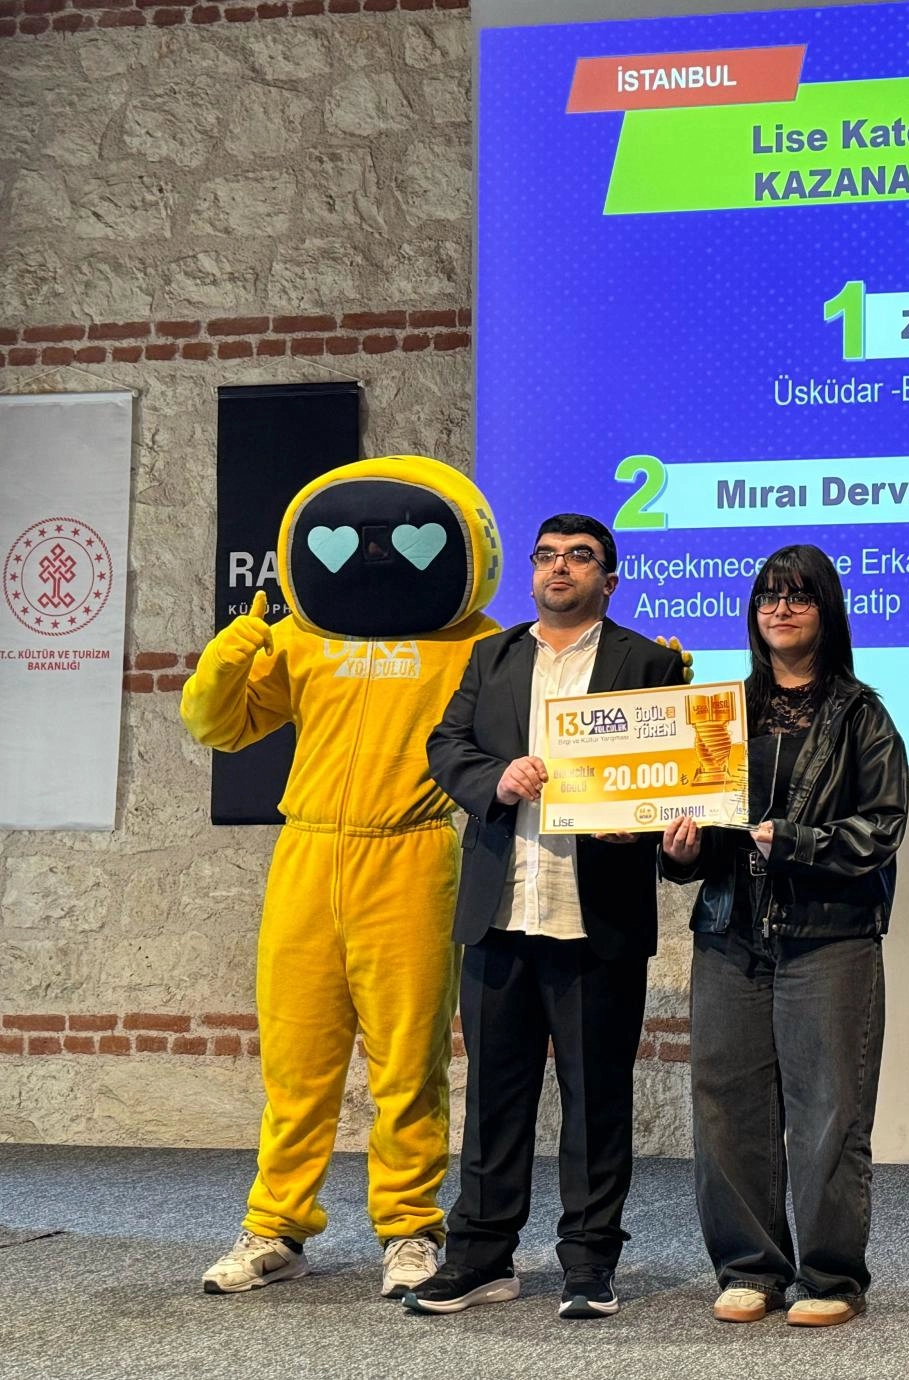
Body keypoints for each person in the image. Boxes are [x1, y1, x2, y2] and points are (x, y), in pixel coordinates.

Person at [181, 456, 503, 1299]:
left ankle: (410, 1229)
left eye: (398, 542)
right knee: (297, 1057)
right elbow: (218, 725)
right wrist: (231, 652)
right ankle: (275, 1227)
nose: (376, 557)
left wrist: (649, 685)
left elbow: (546, 717)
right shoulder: (302, 635)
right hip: (308, 851)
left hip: (411, 851)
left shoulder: (478, 643)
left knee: (408, 1060)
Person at [405, 514, 687, 1318]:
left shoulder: (649, 663)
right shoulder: (492, 656)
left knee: (596, 1102)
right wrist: (496, 780)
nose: (559, 568)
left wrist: (640, 824)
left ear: (610, 579)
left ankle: (589, 1265)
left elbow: (673, 774)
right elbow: (446, 746)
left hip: (596, 917)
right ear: (532, 571)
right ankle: (481, 1258)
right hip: (501, 912)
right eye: (547, 556)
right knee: (494, 1098)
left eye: (580, 557)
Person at [660, 543, 907, 1328]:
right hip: (729, 933)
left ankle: (832, 1277)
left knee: (830, 1111)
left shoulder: (862, 714)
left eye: (799, 596)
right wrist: (682, 852)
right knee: (726, 1108)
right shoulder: (720, 712)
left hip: (829, 938)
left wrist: (794, 841)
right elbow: (700, 828)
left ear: (826, 610)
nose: (781, 609)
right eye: (769, 596)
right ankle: (749, 1269)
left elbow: (882, 829)